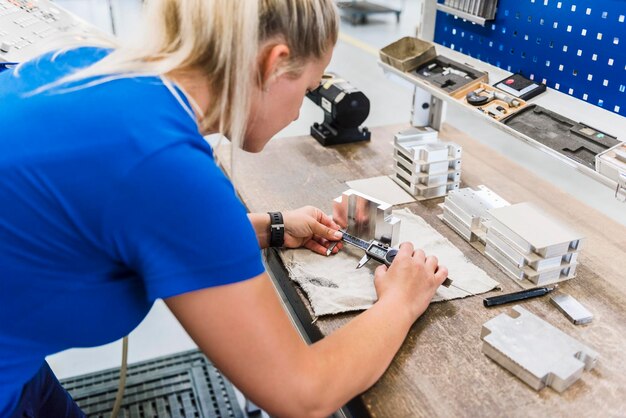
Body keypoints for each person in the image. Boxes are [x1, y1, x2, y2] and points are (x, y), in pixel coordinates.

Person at [0, 0, 448, 416]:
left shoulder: (87, 66)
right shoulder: (164, 165)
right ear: (273, 65)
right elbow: (303, 393)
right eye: (307, 88)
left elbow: (132, 217)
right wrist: (402, 300)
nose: (297, 114)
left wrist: (270, 227)